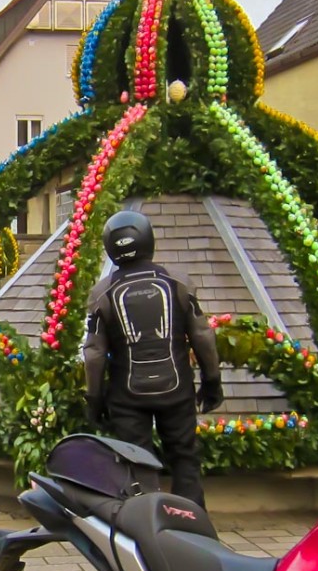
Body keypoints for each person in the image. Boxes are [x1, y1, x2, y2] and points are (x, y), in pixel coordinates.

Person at [83, 210, 223, 508]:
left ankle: (147, 532)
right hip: (176, 387)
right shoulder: (177, 282)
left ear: (111, 246)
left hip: (127, 393)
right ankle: (193, 529)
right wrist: (212, 381)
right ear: (148, 239)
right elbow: (202, 335)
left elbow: (94, 353)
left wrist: (94, 398)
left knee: (137, 465)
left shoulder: (102, 293)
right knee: (185, 457)